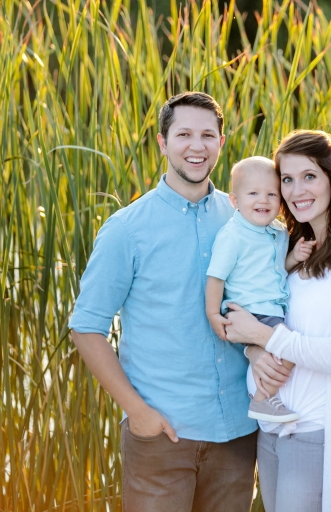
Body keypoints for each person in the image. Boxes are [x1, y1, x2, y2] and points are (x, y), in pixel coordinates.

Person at [68, 92, 258, 512]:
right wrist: (137, 412)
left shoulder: (244, 220)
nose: (197, 146)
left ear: (221, 144)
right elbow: (86, 326)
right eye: (184, 134)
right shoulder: (127, 229)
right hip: (162, 438)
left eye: (208, 135)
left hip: (238, 438)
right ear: (162, 142)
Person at [224, 130, 331, 512]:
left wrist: (264, 334)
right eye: (287, 179)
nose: (297, 189)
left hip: (314, 433)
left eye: (309, 176)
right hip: (269, 429)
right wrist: (253, 349)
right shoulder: (289, 251)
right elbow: (257, 320)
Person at [205, 156, 315, 423]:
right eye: (253, 193)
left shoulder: (278, 233)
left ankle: (267, 396)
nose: (263, 200)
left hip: (270, 311)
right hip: (249, 311)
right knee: (290, 350)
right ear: (235, 201)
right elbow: (216, 277)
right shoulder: (233, 235)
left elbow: (277, 268)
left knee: (279, 354)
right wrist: (213, 314)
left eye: (271, 194)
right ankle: (262, 400)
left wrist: (295, 257)